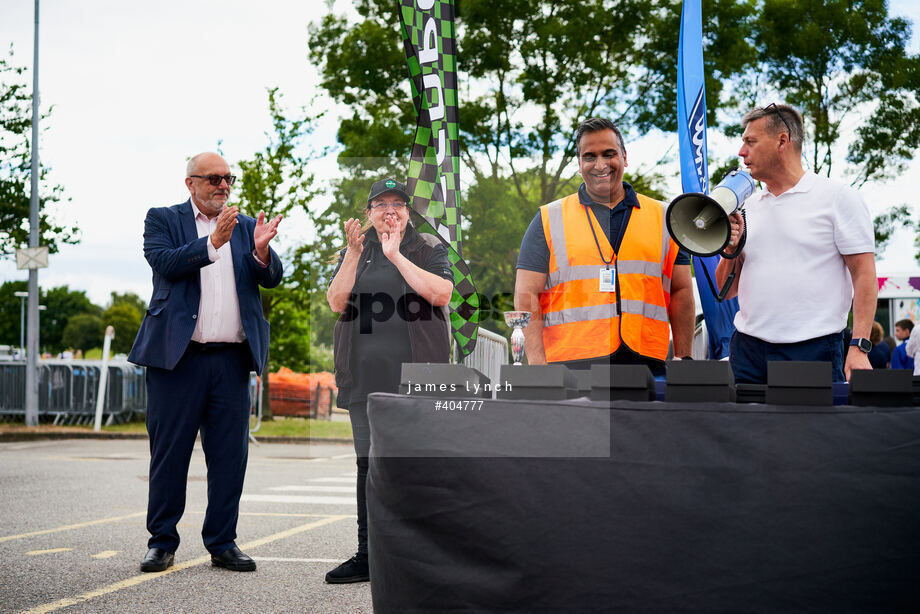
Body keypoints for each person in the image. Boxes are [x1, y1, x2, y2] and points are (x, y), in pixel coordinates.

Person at [128, 152, 283, 573]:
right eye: (214, 178)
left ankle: (223, 542)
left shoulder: (247, 226)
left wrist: (263, 252)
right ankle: (161, 542)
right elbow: (165, 263)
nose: (223, 185)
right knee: (169, 456)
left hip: (231, 360)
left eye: (228, 178)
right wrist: (212, 244)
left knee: (230, 457)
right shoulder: (162, 219)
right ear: (190, 183)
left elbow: (271, 278)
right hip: (177, 360)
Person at [325, 178, 453, 583]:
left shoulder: (428, 247)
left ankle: (418, 558)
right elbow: (335, 302)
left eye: (398, 204)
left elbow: (441, 293)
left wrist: (396, 255)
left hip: (418, 378)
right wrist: (352, 253)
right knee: (368, 467)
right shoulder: (356, 251)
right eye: (381, 204)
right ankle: (367, 555)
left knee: (414, 466)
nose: (390, 210)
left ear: (409, 213)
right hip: (363, 378)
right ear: (369, 213)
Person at [514, 117, 694, 373]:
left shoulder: (666, 218)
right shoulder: (548, 218)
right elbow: (526, 296)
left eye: (609, 154)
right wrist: (537, 366)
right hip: (569, 365)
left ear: (624, 157)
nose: (600, 165)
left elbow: (682, 291)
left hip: (645, 362)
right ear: (579, 164)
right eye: (590, 156)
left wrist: (683, 359)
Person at [716, 103, 877, 383]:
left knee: (812, 429)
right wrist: (731, 250)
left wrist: (859, 346)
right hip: (747, 351)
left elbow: (864, 274)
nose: (742, 152)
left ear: (782, 141)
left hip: (813, 349)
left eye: (750, 142)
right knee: (745, 429)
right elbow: (724, 291)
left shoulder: (837, 197)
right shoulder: (747, 206)